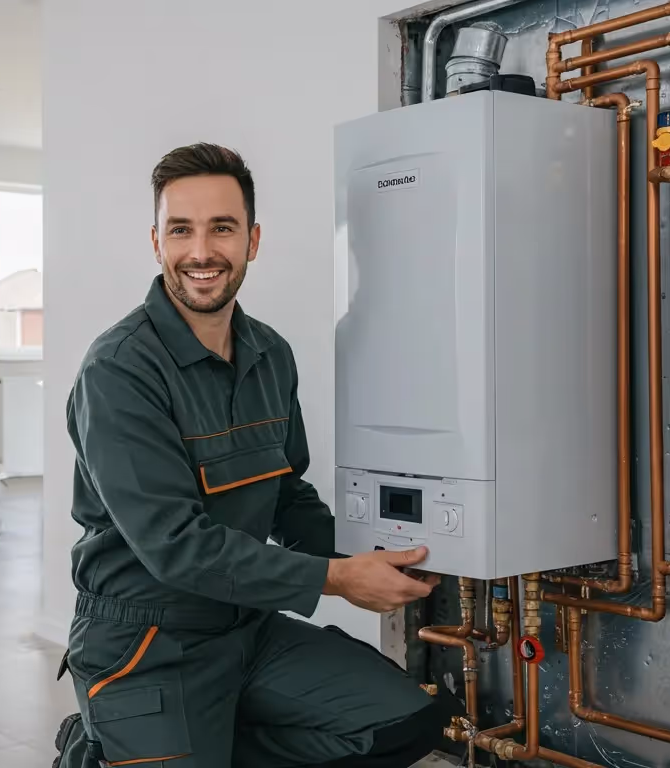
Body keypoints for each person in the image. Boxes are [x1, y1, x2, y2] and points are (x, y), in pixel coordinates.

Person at [52, 144, 457, 768]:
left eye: (222, 228)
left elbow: (287, 495)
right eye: (180, 230)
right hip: (145, 639)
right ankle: (105, 749)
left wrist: (369, 553)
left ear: (253, 239)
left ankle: (183, 746)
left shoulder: (270, 354)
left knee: (405, 721)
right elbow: (175, 545)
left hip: (244, 624)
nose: (201, 252)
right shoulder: (120, 371)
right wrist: (338, 581)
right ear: (156, 242)